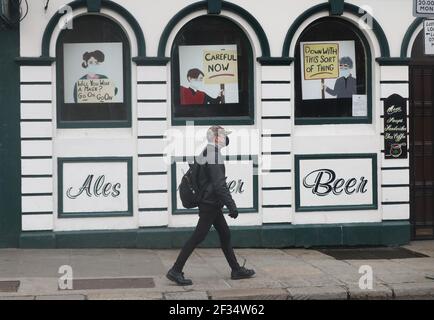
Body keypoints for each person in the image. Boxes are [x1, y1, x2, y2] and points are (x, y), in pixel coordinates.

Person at [166, 126, 255, 285]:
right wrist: (232, 205)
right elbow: (219, 184)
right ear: (215, 138)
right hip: (210, 203)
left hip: (209, 201)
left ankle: (236, 269)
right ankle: (175, 270)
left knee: (225, 234)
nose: (226, 139)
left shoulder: (206, 152)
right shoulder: (214, 155)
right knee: (198, 237)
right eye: (223, 136)